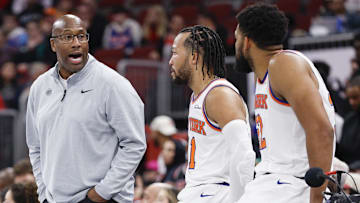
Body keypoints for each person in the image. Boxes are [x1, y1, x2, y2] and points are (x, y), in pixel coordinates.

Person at [26, 14, 146, 203]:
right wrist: (44, 193)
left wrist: (102, 193)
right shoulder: (40, 87)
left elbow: (134, 144)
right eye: (67, 37)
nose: (76, 43)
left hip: (102, 199)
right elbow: (35, 147)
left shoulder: (113, 84)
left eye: (81, 36)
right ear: (53, 44)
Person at [234, 3, 335, 203]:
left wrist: (317, 197)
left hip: (292, 186)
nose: (235, 45)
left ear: (246, 42)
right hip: (275, 183)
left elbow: (322, 131)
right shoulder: (266, 73)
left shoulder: (283, 64)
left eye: (236, 38)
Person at [169, 25, 255, 202]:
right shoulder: (198, 96)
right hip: (198, 192)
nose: (170, 61)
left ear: (193, 57)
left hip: (216, 193)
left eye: (175, 53)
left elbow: (244, 155)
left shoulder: (219, 95)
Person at [336, 76, 360, 165]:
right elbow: (343, 151)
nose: (351, 102)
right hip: (347, 169)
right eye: (349, 98)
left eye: (355, 98)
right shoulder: (349, 119)